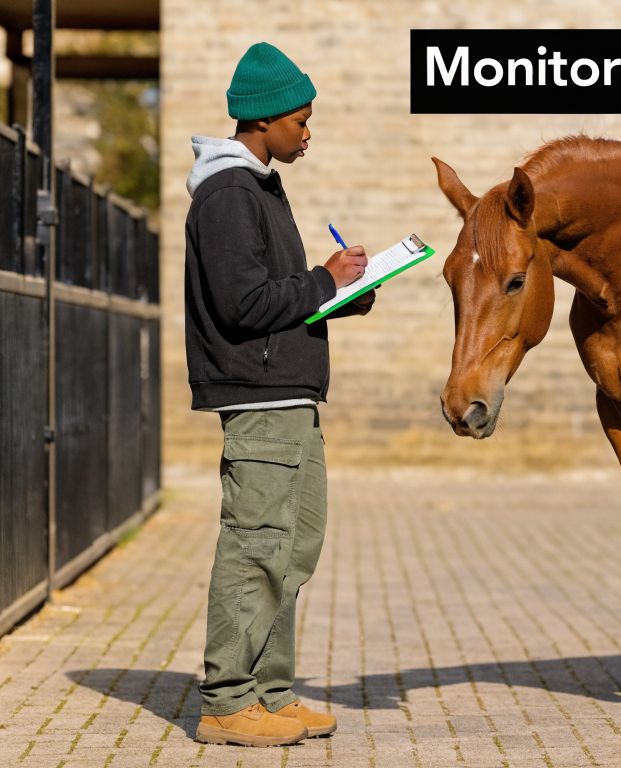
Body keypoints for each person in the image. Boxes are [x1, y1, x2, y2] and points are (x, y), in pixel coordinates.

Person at [183, 41, 373, 747]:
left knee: (293, 548)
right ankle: (227, 702)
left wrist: (340, 295)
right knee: (255, 547)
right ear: (262, 122)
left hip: (289, 397)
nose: (307, 130)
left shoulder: (258, 186)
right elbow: (241, 304)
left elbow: (276, 299)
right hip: (259, 400)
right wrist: (322, 279)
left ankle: (269, 690)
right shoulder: (229, 192)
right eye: (300, 118)